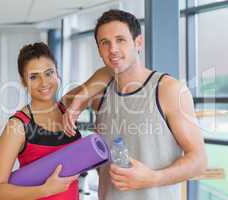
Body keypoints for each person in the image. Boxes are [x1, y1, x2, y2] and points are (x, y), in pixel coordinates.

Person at [62, 9, 207, 200]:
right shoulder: (101, 93)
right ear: (99, 50)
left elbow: (199, 161)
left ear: (138, 43)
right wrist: (82, 97)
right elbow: (63, 105)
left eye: (120, 40)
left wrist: (153, 178)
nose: (112, 49)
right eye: (105, 43)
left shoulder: (168, 90)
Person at [0, 42, 85, 200]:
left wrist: (80, 99)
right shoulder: (18, 125)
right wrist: (45, 190)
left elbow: (107, 74)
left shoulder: (68, 108)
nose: (44, 82)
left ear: (57, 73)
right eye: (33, 76)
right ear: (24, 81)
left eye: (49, 73)